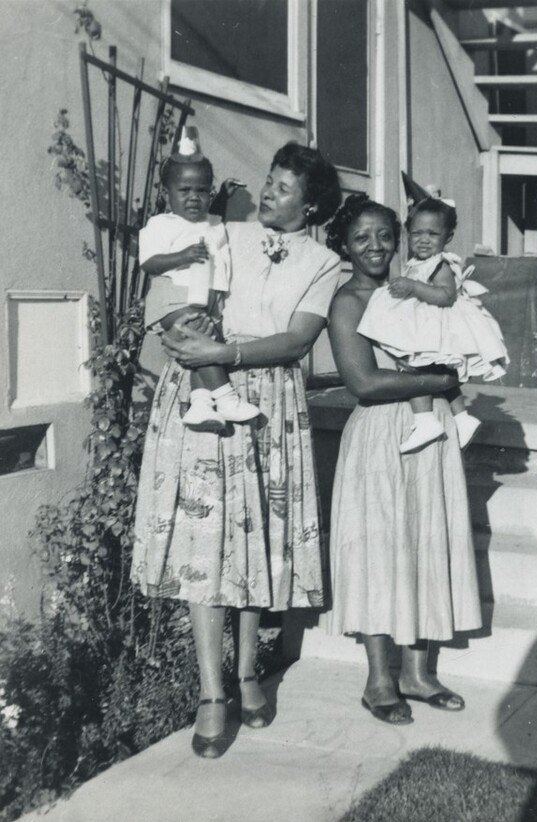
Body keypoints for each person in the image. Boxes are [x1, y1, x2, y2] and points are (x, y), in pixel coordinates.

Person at [131, 141, 343, 758]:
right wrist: (186, 339)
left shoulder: (323, 261)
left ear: (310, 205)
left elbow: (298, 339)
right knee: (206, 542)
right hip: (201, 387)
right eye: (270, 180)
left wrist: (225, 353)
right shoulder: (227, 233)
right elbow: (169, 283)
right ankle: (211, 692)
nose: (269, 192)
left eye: (283, 187)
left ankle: (250, 673)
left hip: (267, 397)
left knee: (259, 538)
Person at [322, 194, 482, 725]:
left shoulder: (419, 289)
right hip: (380, 435)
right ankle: (378, 680)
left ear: (399, 240)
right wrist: (438, 381)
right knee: (379, 551)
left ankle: (417, 673)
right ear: (344, 244)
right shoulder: (348, 301)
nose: (375, 246)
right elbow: (363, 382)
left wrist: (450, 373)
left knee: (427, 541)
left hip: (429, 429)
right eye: (362, 237)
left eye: (384, 235)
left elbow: (456, 339)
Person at [356, 195, 508, 453]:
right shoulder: (418, 262)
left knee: (415, 369)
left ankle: (425, 419)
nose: (423, 240)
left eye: (432, 234)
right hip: (425, 321)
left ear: (447, 237)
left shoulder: (441, 264)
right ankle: (462, 417)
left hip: (438, 324)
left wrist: (413, 287)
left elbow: (446, 296)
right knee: (433, 372)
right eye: (416, 233)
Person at [140, 128, 259, 428]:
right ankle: (227, 398)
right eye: (185, 191)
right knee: (201, 341)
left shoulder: (209, 221)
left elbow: (209, 220)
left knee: (203, 347)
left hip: (204, 300)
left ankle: (201, 404)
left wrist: (223, 196)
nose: (194, 198)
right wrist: (182, 257)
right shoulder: (162, 224)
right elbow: (149, 262)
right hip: (173, 297)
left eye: (202, 191)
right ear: (167, 193)